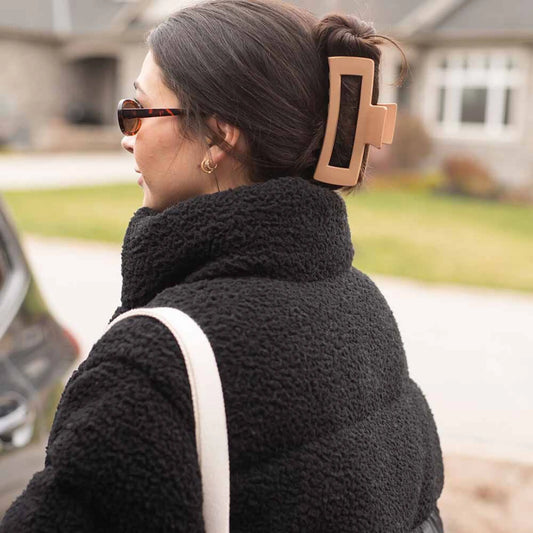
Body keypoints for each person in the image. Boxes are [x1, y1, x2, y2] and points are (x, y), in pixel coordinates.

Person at [0, 0, 445, 531]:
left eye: (138, 111)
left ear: (218, 135)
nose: (126, 135)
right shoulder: (363, 306)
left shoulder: (152, 367)